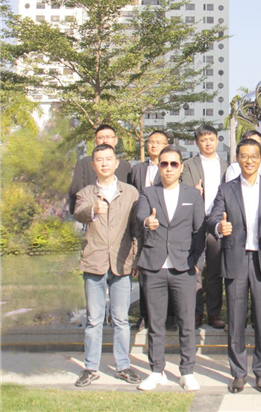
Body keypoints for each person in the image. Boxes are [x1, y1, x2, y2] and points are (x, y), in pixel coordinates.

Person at [207, 139, 261, 394]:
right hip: (235, 259)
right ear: (237, 159)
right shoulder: (226, 189)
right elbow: (213, 217)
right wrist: (220, 227)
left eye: (254, 156)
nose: (249, 160)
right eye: (244, 156)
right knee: (235, 319)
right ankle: (238, 373)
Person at [135, 146, 205, 391]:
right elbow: (140, 216)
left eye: (174, 164)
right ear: (159, 166)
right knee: (156, 324)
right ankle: (156, 371)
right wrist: (148, 221)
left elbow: (199, 231)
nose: (168, 168)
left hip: (183, 267)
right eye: (164, 164)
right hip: (154, 267)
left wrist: (197, 263)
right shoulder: (148, 193)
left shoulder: (193, 195)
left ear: (181, 167)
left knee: (186, 322)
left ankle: (187, 371)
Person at [73, 144, 141, 387]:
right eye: (99, 160)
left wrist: (135, 258)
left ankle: (123, 366)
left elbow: (136, 228)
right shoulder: (85, 193)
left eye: (108, 159)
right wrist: (93, 209)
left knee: (121, 319)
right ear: (93, 165)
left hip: (122, 261)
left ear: (116, 163)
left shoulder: (131, 193)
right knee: (94, 319)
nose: (104, 163)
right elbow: (79, 212)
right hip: (95, 261)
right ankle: (90, 367)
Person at [181, 125, 228, 330]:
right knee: (195, 269)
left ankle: (214, 313)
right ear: (197, 142)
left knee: (215, 270)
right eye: (203, 140)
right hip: (196, 222)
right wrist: (193, 191)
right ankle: (196, 313)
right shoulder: (188, 165)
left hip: (216, 222)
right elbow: (184, 190)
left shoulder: (227, 166)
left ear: (217, 140)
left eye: (211, 139)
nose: (208, 143)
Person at [130, 130, 169, 330]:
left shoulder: (171, 167)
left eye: (158, 142)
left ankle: (168, 316)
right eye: (151, 142)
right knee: (145, 273)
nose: (154, 145)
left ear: (166, 145)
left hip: (165, 228)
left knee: (167, 273)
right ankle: (144, 315)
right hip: (143, 227)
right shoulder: (137, 169)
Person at [68, 124, 132, 214]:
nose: (105, 140)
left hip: (119, 214)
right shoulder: (84, 163)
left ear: (116, 140)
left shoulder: (125, 166)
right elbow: (76, 189)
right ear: (95, 141)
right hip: (92, 213)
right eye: (101, 137)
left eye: (108, 137)